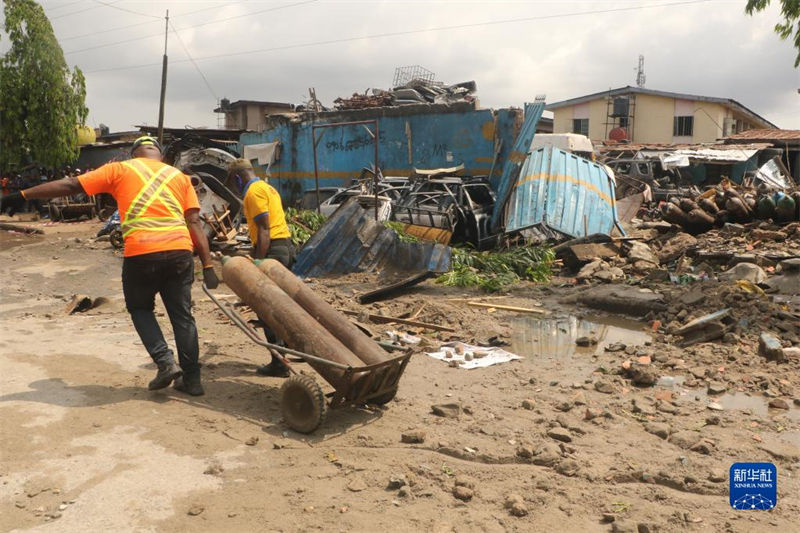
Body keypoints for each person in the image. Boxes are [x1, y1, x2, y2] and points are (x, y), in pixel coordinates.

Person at [0, 136, 220, 396]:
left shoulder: (120, 169)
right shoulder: (179, 177)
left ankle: (165, 362)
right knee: (182, 316)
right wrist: (208, 265)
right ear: (159, 156)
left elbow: (71, 185)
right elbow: (194, 222)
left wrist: (21, 194)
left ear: (134, 154)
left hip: (142, 251)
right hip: (179, 251)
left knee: (140, 308)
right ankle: (192, 380)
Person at [227, 158, 293, 377]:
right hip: (284, 246)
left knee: (266, 308)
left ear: (238, 178)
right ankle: (284, 351)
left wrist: (258, 263)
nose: (235, 188)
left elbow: (264, 229)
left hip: (273, 249)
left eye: (233, 183)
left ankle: (279, 363)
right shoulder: (267, 187)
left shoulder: (253, 192)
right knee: (279, 305)